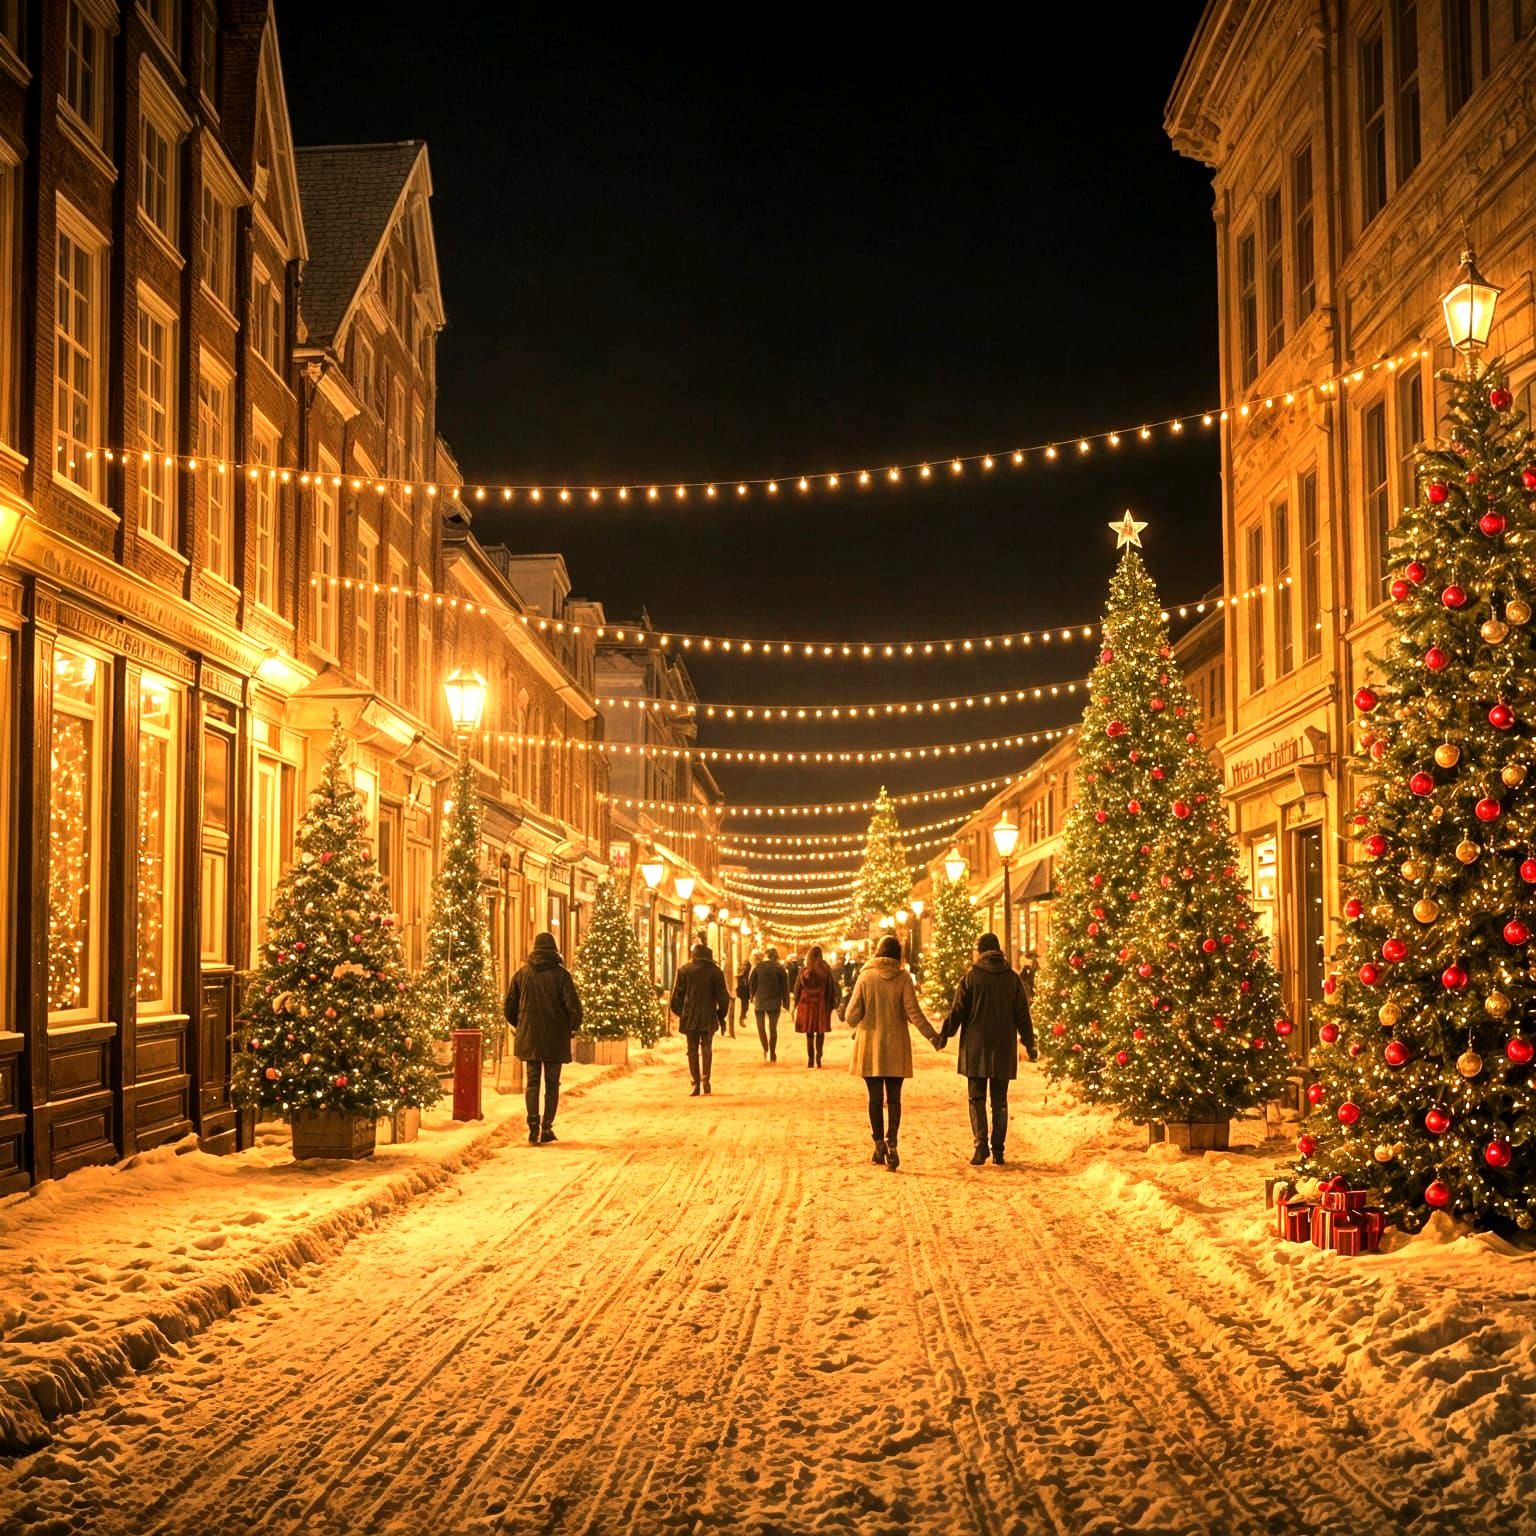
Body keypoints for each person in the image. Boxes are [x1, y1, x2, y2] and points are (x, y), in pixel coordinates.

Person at [936, 933, 1037, 1165]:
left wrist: (944, 1034)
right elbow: (1023, 1015)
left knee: (977, 1098)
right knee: (1000, 1102)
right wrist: (1029, 1043)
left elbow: (957, 1011)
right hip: (1003, 1048)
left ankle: (980, 1145)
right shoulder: (1012, 979)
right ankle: (998, 1150)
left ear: (980, 951)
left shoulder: (971, 978)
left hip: (976, 1047)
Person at [843, 935, 936, 1170]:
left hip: (870, 1047)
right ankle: (892, 1143)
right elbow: (914, 1012)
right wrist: (933, 1035)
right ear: (898, 955)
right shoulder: (903, 978)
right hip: (896, 1046)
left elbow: (851, 1016)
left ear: (877, 952)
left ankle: (878, 1145)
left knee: (875, 1099)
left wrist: (864, 1011)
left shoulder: (866, 977)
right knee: (894, 1099)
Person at [504, 931, 583, 1145]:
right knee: (552, 1083)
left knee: (532, 1082)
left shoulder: (521, 974)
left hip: (530, 1037)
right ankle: (547, 1126)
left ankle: (533, 1126)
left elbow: (509, 1007)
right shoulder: (562, 975)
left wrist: (522, 1025)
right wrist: (571, 1028)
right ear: (554, 949)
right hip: (555, 1037)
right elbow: (573, 1008)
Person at [670, 941, 731, 1095]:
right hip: (709, 1015)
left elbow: (676, 997)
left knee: (691, 1049)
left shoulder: (684, 970)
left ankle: (695, 1083)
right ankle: (706, 1080)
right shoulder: (715, 971)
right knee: (707, 1047)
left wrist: (682, 1013)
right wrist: (720, 1015)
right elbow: (723, 997)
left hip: (690, 1015)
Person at [792, 944, 839, 1068]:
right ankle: (819, 1057)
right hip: (821, 1004)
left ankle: (810, 1059)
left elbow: (797, 988)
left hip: (806, 1004)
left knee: (809, 1033)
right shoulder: (826, 970)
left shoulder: (804, 970)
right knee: (820, 1032)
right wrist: (831, 1004)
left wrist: (795, 1003)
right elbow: (830, 987)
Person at [749, 946, 791, 1062]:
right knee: (773, 1028)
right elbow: (785, 987)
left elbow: (752, 983)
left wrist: (752, 996)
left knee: (761, 1028)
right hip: (774, 1002)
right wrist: (786, 1003)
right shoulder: (780, 968)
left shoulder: (758, 967)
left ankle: (765, 1049)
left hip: (760, 1001)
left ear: (767, 956)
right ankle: (772, 1052)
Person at [734, 953, 754, 1036]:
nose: (744, 966)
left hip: (745, 991)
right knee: (744, 1005)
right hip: (743, 992)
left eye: (746, 965)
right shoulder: (744, 972)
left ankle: (743, 1016)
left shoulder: (747, 972)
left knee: (745, 1005)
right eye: (744, 964)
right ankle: (742, 1017)